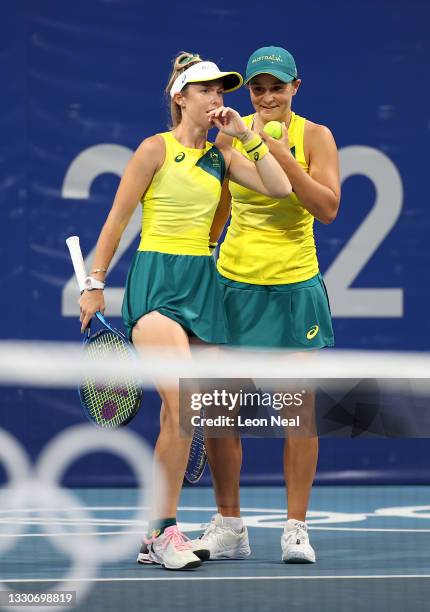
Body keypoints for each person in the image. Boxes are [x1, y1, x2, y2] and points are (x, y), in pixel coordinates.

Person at [78, 51, 292, 571]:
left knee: (202, 411)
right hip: (157, 285)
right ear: (180, 98)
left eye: (221, 91)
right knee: (184, 405)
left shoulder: (223, 156)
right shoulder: (155, 149)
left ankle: (166, 533)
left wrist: (246, 135)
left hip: (203, 287)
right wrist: (94, 282)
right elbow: (118, 217)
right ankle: (161, 532)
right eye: (206, 91)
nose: (217, 99)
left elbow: (280, 187)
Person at [197, 46, 340, 564]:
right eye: (258, 89)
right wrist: (196, 256)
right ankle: (230, 524)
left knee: (297, 412)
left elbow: (327, 208)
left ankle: (295, 528)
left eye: (277, 87)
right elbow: (222, 209)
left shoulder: (315, 137)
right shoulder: (229, 133)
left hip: (293, 287)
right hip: (233, 286)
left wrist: (273, 152)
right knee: (217, 410)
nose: (267, 96)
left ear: (295, 88)